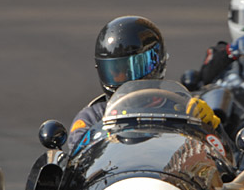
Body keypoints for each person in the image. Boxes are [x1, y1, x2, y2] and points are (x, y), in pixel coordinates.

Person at [67, 15, 218, 154]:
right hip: (115, 179)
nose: (122, 76)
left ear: (156, 62)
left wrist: (209, 126)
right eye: (115, 70)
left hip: (167, 178)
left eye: (132, 68)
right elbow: (79, 158)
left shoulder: (184, 107)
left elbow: (224, 159)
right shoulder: (93, 117)